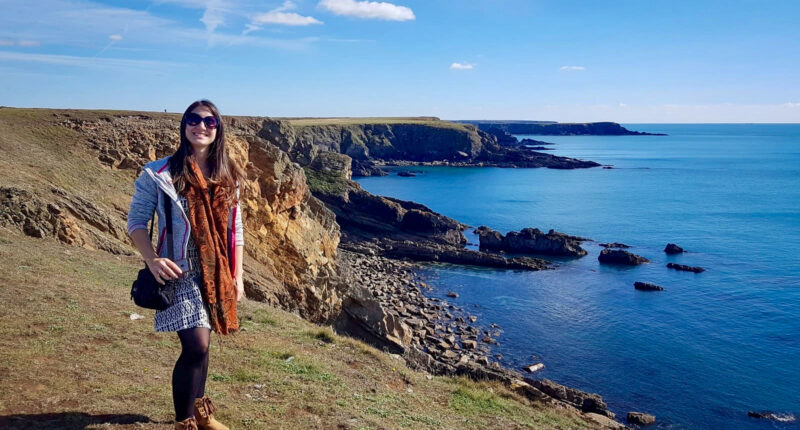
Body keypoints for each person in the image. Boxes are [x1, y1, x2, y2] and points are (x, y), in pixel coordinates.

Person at [127, 100, 245, 430]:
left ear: (218, 129)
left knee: (202, 349)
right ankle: (185, 422)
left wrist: (238, 276)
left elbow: (236, 230)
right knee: (196, 345)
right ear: (184, 126)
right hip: (179, 272)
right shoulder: (159, 173)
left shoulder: (228, 175)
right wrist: (152, 259)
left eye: (209, 122)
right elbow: (136, 221)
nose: (201, 126)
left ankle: (203, 416)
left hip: (216, 271)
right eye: (193, 120)